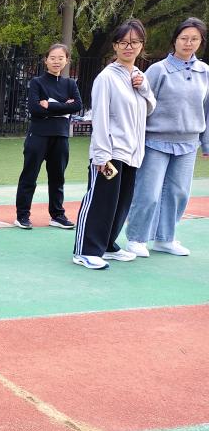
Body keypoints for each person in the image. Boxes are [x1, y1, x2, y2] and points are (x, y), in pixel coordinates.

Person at [73, 19, 156, 269]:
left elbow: (149, 109)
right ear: (115, 46)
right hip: (110, 152)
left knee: (120, 203)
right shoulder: (106, 78)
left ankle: (107, 245)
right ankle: (85, 250)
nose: (129, 47)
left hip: (132, 151)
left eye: (135, 42)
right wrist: (101, 154)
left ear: (142, 45)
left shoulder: (139, 77)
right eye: (123, 42)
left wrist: (144, 89)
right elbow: (99, 117)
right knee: (101, 201)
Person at [125, 17, 209, 258]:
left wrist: (206, 143)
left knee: (178, 193)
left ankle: (165, 238)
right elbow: (141, 104)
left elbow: (207, 110)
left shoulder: (205, 72)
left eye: (194, 39)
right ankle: (137, 238)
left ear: (201, 42)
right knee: (148, 192)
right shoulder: (158, 70)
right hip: (155, 141)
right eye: (184, 38)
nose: (188, 43)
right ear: (175, 40)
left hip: (189, 142)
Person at [14, 43, 83, 230]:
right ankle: (22, 215)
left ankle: (57, 215)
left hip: (61, 136)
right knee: (29, 176)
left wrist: (50, 105)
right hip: (38, 135)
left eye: (61, 58)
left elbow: (77, 105)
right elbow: (35, 109)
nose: (56, 61)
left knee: (57, 177)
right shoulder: (37, 82)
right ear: (46, 60)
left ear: (67, 60)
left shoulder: (70, 84)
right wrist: (64, 106)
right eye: (52, 58)